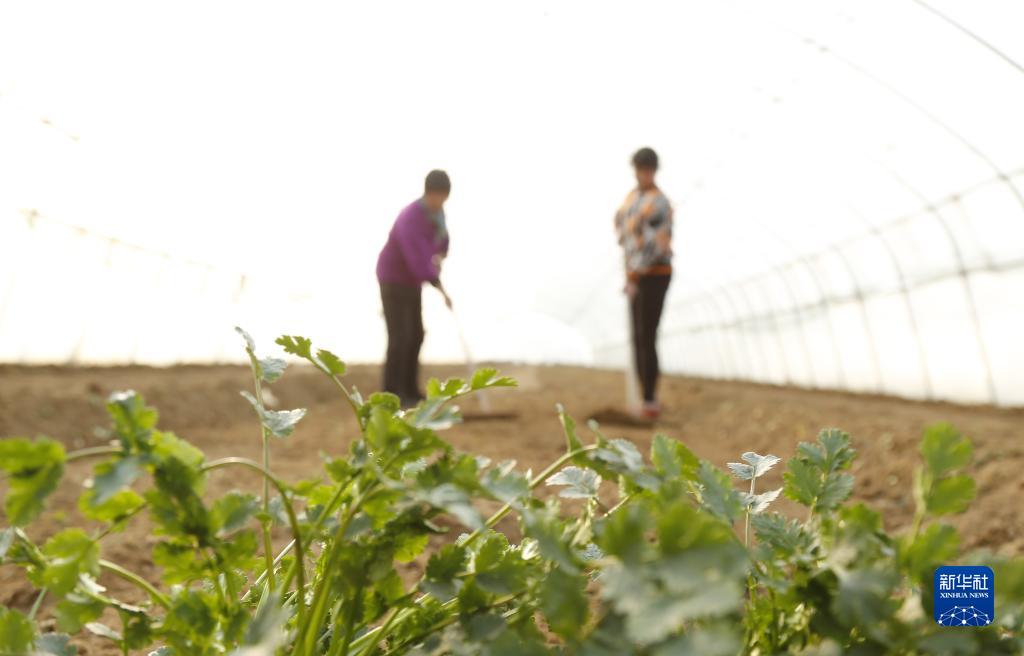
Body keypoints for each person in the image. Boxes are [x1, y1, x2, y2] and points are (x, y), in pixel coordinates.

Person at [376, 169, 453, 408]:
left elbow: (441, 241)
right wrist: (438, 285)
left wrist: (441, 254)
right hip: (392, 279)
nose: (441, 201)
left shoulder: (436, 214)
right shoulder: (411, 217)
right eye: (438, 196)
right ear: (429, 193)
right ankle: (392, 393)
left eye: (444, 197)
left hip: (412, 282)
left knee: (417, 335)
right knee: (400, 336)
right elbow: (417, 257)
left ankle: (410, 390)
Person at [614, 147, 673, 420]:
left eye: (649, 169)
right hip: (634, 275)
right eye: (641, 169)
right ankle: (643, 396)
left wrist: (635, 275)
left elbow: (655, 244)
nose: (644, 174)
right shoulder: (631, 199)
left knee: (647, 335)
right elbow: (622, 229)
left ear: (654, 171)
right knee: (637, 336)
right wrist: (630, 273)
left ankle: (650, 399)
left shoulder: (659, 202)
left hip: (655, 274)